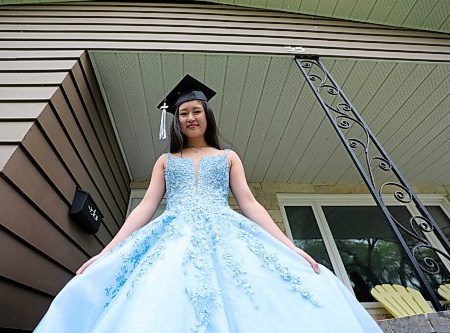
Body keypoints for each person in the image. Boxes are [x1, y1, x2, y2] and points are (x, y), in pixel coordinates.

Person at [34, 75, 382, 332]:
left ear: (206, 115)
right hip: (172, 235)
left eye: (196, 110)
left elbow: (250, 204)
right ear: (177, 119)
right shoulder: (165, 161)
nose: (190, 117)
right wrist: (106, 251)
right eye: (183, 112)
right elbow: (144, 208)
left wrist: (292, 248)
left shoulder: (229, 156)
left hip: (227, 232)